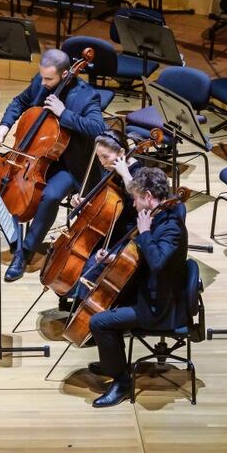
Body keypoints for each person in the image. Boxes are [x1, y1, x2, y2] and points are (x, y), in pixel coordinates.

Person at [0, 48, 106, 282]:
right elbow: (20, 101)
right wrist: (4, 125)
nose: (43, 83)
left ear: (66, 74)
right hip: (34, 156)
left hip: (69, 163)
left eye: (49, 79)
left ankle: (25, 252)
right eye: (42, 77)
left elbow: (98, 128)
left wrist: (64, 113)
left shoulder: (86, 96)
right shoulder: (41, 82)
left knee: (51, 195)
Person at [88, 166, 188, 407]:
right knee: (102, 301)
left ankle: (121, 381)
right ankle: (114, 359)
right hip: (150, 292)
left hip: (160, 307)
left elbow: (158, 263)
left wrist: (144, 233)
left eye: (135, 198)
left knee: (98, 322)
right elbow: (144, 259)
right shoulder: (159, 216)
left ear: (149, 197)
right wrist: (114, 260)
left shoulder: (171, 226)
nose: (133, 204)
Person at [67, 130, 143, 304]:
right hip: (107, 228)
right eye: (99, 157)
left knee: (90, 267)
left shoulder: (139, 173)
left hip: (127, 235)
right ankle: (74, 297)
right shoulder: (111, 168)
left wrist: (125, 175)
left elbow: (142, 204)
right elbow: (106, 204)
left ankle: (90, 310)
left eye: (105, 157)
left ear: (122, 153)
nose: (102, 162)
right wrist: (83, 202)